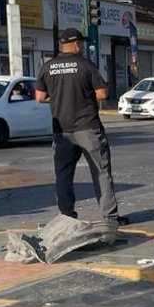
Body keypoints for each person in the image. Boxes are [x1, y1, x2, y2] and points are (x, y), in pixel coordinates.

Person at [36, 28, 125, 226]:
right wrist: (82, 94)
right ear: (76, 44)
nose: (82, 46)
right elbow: (102, 94)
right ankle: (109, 217)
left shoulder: (48, 67)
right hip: (87, 127)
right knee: (100, 170)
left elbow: (40, 97)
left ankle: (67, 217)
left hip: (62, 130)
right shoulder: (85, 65)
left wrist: (60, 96)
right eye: (81, 43)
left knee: (64, 174)